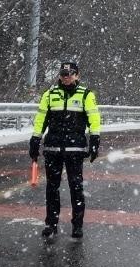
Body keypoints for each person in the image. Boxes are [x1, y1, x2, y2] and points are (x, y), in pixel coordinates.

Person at [29, 59, 102, 239]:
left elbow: (94, 118)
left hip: (75, 149)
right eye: (63, 74)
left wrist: (94, 140)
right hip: (53, 148)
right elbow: (41, 119)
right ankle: (51, 224)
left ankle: (77, 225)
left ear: (77, 75)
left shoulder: (86, 95)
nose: (66, 78)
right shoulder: (49, 94)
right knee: (51, 188)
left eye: (69, 74)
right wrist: (35, 139)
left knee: (76, 187)